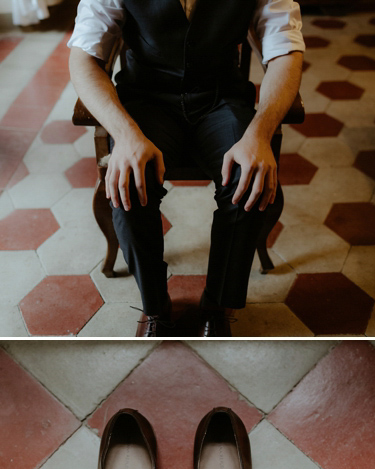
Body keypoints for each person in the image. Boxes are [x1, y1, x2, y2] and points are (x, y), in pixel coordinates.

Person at [68, 0, 305, 336]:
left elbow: (285, 51)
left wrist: (260, 132)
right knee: (129, 183)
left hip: (220, 98)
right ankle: (156, 308)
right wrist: (125, 136)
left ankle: (215, 306)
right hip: (146, 100)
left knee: (248, 180)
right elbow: (83, 57)